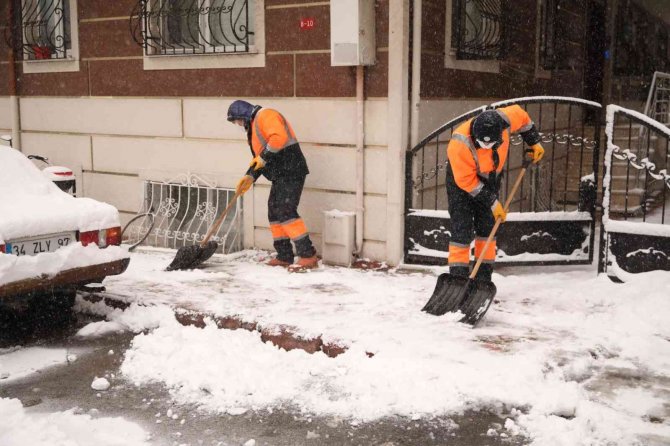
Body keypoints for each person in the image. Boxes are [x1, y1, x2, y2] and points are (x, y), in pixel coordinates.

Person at [445, 105, 545, 282]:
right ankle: (458, 278)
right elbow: (468, 182)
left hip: (490, 178)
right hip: (461, 182)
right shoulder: (459, 145)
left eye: (491, 143)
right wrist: (492, 202)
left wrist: (533, 141)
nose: (486, 146)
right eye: (482, 143)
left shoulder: (506, 119)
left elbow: (523, 118)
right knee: (462, 227)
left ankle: (483, 275)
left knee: (487, 226)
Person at [227, 100, 318, 270]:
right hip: (281, 174)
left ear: (243, 116)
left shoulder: (266, 115)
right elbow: (262, 158)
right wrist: (250, 176)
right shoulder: (253, 127)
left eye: (237, 121)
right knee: (274, 211)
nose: (238, 125)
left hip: (291, 170)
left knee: (285, 210)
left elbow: (278, 138)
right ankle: (284, 255)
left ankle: (308, 255)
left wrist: (262, 158)